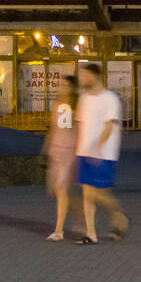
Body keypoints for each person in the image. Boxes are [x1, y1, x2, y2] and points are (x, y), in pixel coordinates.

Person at [74, 63, 129, 245]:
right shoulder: (83, 98)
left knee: (100, 194)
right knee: (87, 193)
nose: (82, 79)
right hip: (84, 152)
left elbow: (109, 125)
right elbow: (80, 125)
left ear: (94, 76)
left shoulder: (109, 98)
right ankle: (91, 234)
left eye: (85, 76)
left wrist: (97, 147)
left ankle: (119, 216)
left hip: (103, 154)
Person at [42, 75, 79, 241]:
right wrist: (46, 151)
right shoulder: (56, 106)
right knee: (58, 191)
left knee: (62, 190)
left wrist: (77, 154)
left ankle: (58, 230)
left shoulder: (75, 107)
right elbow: (52, 130)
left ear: (71, 88)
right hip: (55, 151)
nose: (61, 88)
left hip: (68, 152)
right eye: (60, 85)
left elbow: (78, 131)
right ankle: (82, 215)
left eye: (65, 85)